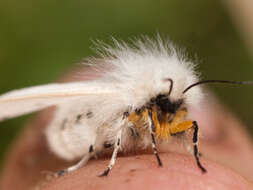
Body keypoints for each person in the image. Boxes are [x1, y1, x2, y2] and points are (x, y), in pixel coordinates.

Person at [1, 68, 253, 190]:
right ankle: (98, 163)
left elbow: (189, 124)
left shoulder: (177, 116)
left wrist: (193, 151)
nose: (170, 113)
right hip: (71, 135)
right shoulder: (136, 107)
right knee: (124, 116)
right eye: (165, 105)